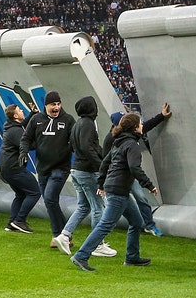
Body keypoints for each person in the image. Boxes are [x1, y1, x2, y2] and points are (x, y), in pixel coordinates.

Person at [69, 112, 155, 271]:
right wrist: (149, 185)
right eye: (141, 124)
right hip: (119, 190)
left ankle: (132, 257)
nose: (142, 125)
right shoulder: (132, 145)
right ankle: (81, 256)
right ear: (135, 127)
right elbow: (134, 168)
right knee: (105, 225)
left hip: (115, 188)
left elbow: (104, 164)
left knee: (136, 221)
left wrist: (101, 184)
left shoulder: (119, 142)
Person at [54, 96, 113, 257]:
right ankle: (97, 244)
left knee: (83, 206)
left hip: (77, 170)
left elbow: (74, 146)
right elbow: (88, 147)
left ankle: (64, 235)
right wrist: (101, 166)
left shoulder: (77, 124)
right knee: (97, 207)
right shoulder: (88, 124)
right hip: (87, 171)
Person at [106, 102, 173, 236]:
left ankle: (149, 225)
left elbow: (145, 126)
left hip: (127, 177)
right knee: (111, 212)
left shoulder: (126, 136)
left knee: (141, 199)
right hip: (119, 178)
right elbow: (107, 160)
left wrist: (161, 116)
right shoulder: (112, 139)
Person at [21, 91, 75, 244]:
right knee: (50, 202)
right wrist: (23, 151)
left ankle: (58, 235)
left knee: (50, 198)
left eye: (58, 104)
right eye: (53, 104)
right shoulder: (36, 119)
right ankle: (66, 235)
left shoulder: (69, 120)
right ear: (46, 105)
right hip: (42, 168)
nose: (56, 107)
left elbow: (76, 141)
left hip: (61, 168)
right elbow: (26, 138)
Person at [0, 104, 40, 233]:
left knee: (21, 194)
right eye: (20, 110)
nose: (22, 111)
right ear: (15, 116)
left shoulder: (12, 126)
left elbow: (23, 125)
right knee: (35, 192)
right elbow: (29, 145)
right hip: (14, 168)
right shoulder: (15, 131)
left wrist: (32, 114)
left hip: (7, 168)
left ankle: (12, 223)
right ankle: (19, 220)